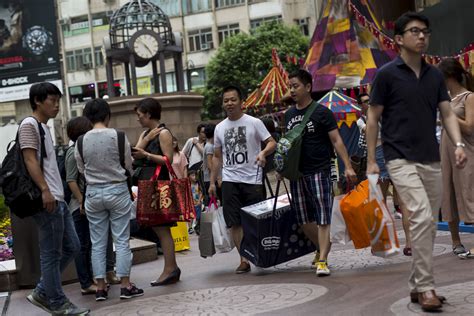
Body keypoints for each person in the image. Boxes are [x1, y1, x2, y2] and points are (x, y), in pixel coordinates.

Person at [366, 12, 467, 312]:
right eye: (414, 31)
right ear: (398, 39)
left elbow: (447, 113)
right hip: (399, 158)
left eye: (425, 31)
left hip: (431, 157)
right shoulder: (386, 75)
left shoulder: (435, 75)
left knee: (428, 224)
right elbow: (373, 117)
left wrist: (458, 144)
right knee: (423, 216)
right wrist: (372, 159)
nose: (422, 36)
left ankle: (415, 285)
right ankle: (426, 288)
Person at [20, 82, 88, 315]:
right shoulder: (29, 125)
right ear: (38, 101)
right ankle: (58, 303)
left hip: (57, 198)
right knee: (51, 253)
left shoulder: (42, 127)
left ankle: (42, 291)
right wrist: (45, 190)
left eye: (58, 100)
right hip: (47, 198)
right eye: (52, 100)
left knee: (72, 246)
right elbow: (29, 160)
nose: (57, 105)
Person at [283, 69, 356, 277]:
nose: (292, 90)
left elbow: (336, 140)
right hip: (297, 174)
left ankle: (322, 259)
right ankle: (320, 247)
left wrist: (348, 165)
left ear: (308, 87)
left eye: (296, 86)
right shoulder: (288, 115)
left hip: (319, 171)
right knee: (304, 219)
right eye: (290, 86)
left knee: (323, 217)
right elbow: (286, 143)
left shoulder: (322, 112)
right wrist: (282, 167)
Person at [76, 99, 143, 301]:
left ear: (87, 117)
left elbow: (81, 169)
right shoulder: (119, 136)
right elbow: (128, 165)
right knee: (121, 239)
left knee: (97, 242)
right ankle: (125, 285)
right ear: (107, 116)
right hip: (117, 190)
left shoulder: (81, 141)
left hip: (93, 193)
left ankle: (100, 288)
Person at [209, 85, 277, 274]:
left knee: (254, 220)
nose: (229, 103)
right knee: (234, 222)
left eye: (233, 99)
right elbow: (216, 156)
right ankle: (244, 259)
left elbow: (272, 142)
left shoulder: (254, 122)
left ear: (241, 102)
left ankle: (259, 252)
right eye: (226, 100)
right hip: (230, 180)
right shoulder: (219, 128)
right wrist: (213, 182)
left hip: (252, 179)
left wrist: (263, 153)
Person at [65, 117, 120, 296]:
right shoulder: (72, 151)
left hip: (86, 202)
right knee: (83, 245)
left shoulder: (81, 149)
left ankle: (95, 279)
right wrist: (81, 200)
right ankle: (85, 283)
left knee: (89, 244)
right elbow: (71, 180)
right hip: (78, 205)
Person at [131, 97, 181, 286]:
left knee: (163, 229)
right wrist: (146, 141)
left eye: (140, 115)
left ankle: (171, 268)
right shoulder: (147, 133)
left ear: (148, 114)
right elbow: (134, 154)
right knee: (159, 229)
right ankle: (171, 268)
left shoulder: (164, 133)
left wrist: (147, 155)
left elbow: (168, 160)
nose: (138, 119)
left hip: (160, 186)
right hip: (149, 185)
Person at [438, 58, 474, 258]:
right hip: (446, 152)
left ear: (448, 76)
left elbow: (469, 126)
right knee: (448, 194)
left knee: (470, 193)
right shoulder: (445, 100)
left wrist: (449, 115)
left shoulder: (469, 97)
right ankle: (455, 241)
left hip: (466, 151)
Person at [202, 123, 221, 204]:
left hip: (211, 178)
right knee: (213, 202)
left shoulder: (210, 145)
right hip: (211, 179)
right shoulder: (209, 146)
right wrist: (217, 178)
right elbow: (210, 165)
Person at [189, 169, 204, 234]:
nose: (194, 177)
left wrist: (200, 200)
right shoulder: (188, 185)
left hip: (197, 203)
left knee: (198, 216)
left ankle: (197, 227)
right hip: (191, 203)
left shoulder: (198, 184)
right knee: (191, 216)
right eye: (192, 175)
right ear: (188, 177)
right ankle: (190, 228)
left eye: (195, 175)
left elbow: (201, 192)